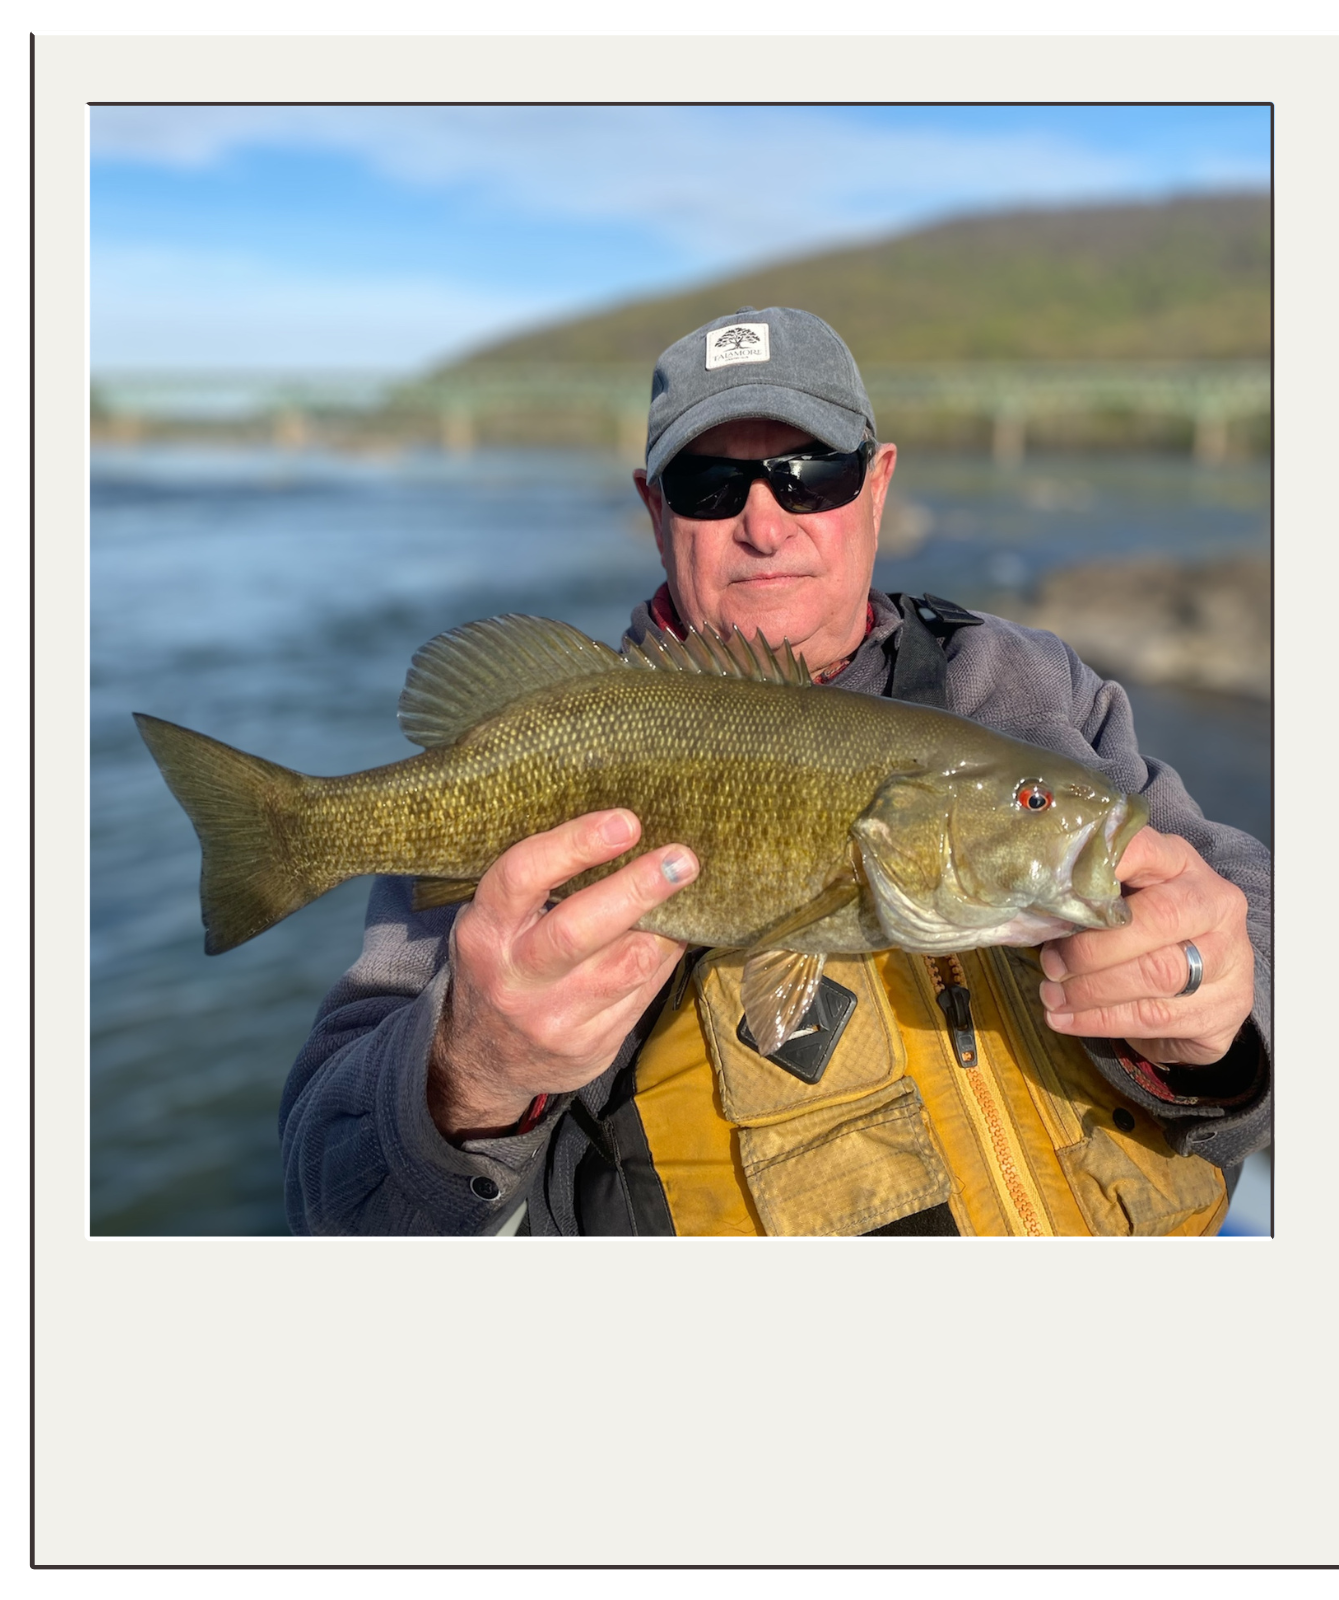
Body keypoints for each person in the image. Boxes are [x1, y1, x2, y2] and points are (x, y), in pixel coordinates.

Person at [280, 306, 1270, 1237]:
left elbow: (1256, 903)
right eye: (710, 484)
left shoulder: (1025, 687)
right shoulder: (553, 748)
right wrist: (471, 1071)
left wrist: (1225, 993)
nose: (765, 522)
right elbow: (337, 1186)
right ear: (652, 508)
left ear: (877, 484)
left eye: (812, 474)